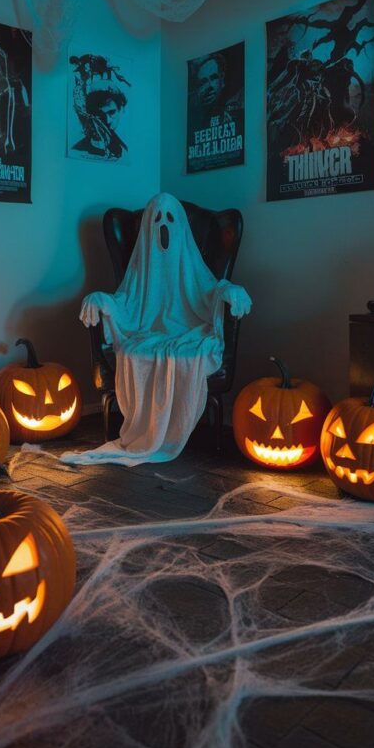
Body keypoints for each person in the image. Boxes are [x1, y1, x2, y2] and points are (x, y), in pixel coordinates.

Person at [59, 192, 251, 468]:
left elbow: (209, 290)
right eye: (157, 219)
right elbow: (126, 299)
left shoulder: (191, 266)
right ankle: (148, 432)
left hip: (189, 329)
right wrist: (102, 299)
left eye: (170, 219)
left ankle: (165, 433)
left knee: (182, 353)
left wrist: (229, 290)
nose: (163, 226)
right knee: (135, 351)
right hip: (145, 330)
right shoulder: (141, 268)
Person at [72, 86, 128, 159]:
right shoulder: (77, 151)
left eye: (111, 112)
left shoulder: (124, 149)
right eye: (100, 115)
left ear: (120, 109)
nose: (108, 121)